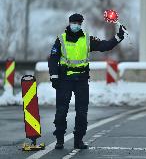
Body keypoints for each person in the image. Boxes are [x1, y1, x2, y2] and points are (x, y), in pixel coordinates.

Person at [48, 13, 126, 149]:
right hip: (64, 80)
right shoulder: (60, 40)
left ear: (81, 24)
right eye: (74, 23)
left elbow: (105, 46)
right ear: (69, 23)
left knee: (82, 112)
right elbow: (53, 59)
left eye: (78, 23)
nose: (76, 25)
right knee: (61, 111)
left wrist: (118, 37)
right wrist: (54, 76)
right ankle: (59, 139)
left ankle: (78, 140)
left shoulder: (87, 40)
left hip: (82, 80)